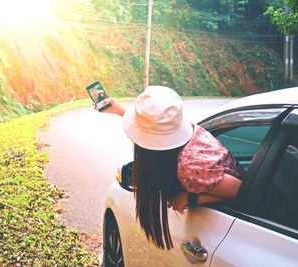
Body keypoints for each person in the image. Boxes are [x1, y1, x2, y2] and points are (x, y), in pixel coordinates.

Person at [95, 86, 245, 250]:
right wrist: (120, 110)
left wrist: (190, 198)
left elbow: (242, 191)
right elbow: (158, 128)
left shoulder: (189, 168)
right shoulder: (187, 132)